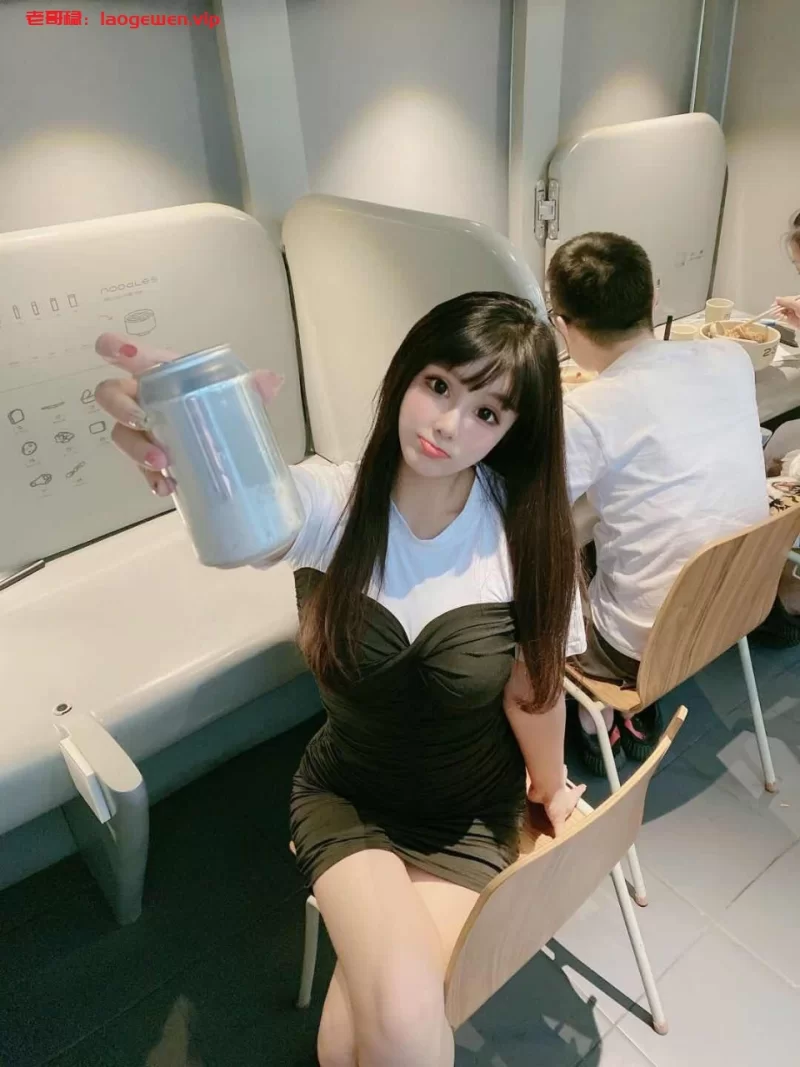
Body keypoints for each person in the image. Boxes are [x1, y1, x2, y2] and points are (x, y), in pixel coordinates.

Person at [93, 292, 586, 1067]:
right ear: (406, 375)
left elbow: (534, 690)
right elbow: (256, 520)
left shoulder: (521, 531)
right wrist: (193, 423)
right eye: (439, 385)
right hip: (351, 797)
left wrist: (550, 787)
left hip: (466, 815)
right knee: (407, 1028)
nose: (448, 424)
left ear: (511, 431)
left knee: (363, 1037)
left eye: (487, 412)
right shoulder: (335, 502)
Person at [547, 232, 769, 774]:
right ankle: (635, 705)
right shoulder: (730, 358)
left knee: (541, 558)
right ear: (655, 297)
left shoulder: (587, 411)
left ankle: (597, 711)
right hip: (739, 605)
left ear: (561, 326)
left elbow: (529, 512)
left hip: (636, 647)